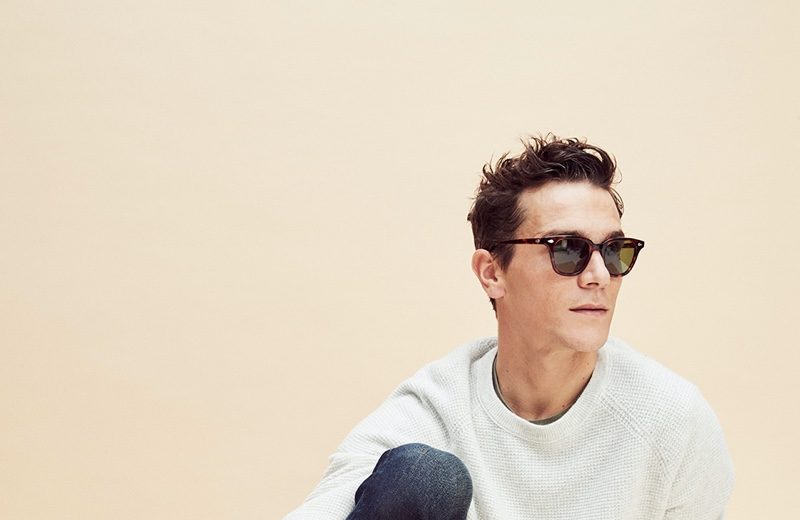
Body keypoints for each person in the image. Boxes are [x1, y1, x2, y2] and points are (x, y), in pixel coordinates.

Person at [284, 135, 734, 519]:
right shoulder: (438, 406)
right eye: (567, 249)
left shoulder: (671, 418)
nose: (599, 274)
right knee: (424, 477)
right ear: (492, 272)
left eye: (615, 251)